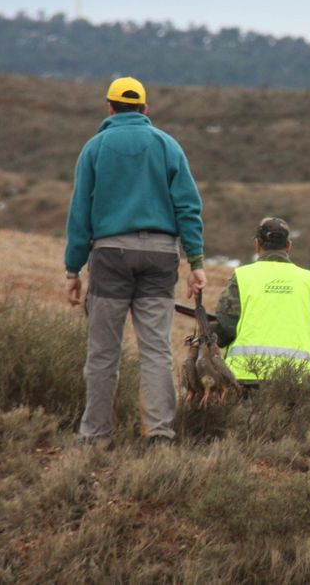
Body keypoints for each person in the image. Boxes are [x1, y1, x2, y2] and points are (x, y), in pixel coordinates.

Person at [64, 76, 206, 447]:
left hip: (110, 256)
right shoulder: (167, 145)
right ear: (145, 109)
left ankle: (95, 435)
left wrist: (72, 269)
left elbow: (80, 213)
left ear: (109, 107)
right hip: (161, 257)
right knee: (156, 349)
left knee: (103, 352)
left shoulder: (95, 148)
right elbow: (188, 207)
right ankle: (159, 433)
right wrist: (196, 262)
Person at [213, 217, 310, 387]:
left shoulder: (242, 276)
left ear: (257, 244)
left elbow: (224, 331)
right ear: (288, 246)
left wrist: (208, 329)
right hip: (299, 378)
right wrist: (302, 340)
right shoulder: (307, 279)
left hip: (246, 378)